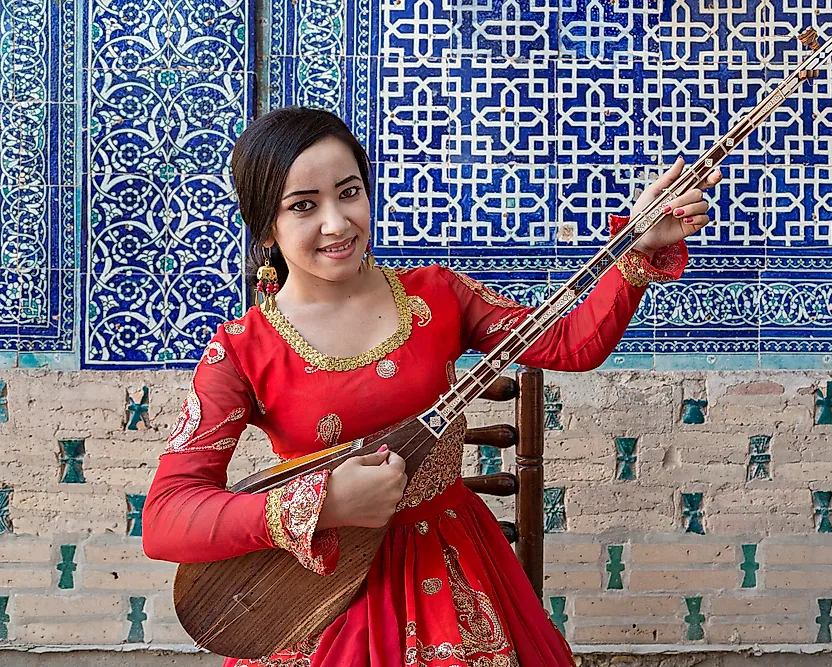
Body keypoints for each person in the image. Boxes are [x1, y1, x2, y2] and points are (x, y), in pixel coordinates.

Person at [142, 106, 723, 667]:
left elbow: (570, 342)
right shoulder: (242, 350)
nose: (337, 223)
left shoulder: (435, 296)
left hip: (455, 563)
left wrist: (637, 247)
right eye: (303, 206)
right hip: (323, 590)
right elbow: (167, 518)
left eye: (349, 192)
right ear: (265, 224)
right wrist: (318, 505)